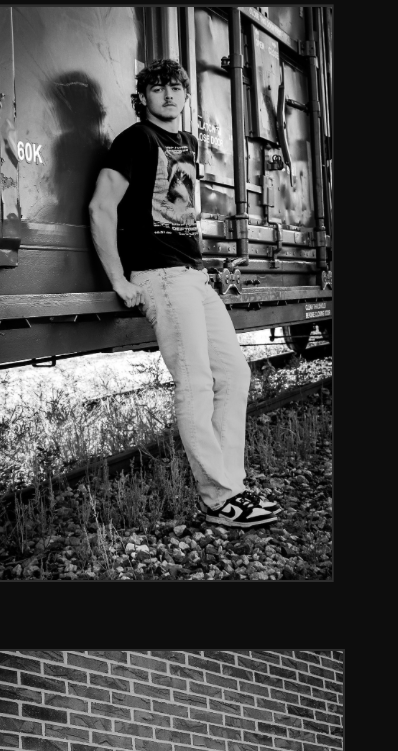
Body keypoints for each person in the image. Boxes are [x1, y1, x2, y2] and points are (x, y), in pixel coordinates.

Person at [89, 59, 281, 534]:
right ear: (144, 98)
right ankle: (219, 498)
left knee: (234, 374)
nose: (168, 94)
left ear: (187, 95)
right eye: (157, 88)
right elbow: (100, 206)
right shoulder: (134, 141)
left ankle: (231, 486)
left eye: (176, 87)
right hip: (159, 278)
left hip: (193, 277)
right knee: (195, 383)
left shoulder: (187, 144)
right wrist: (118, 278)